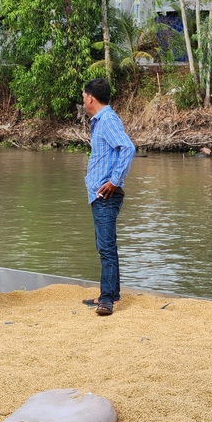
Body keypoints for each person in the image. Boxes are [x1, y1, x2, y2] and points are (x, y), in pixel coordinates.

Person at [81, 78, 136, 316]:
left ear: (91, 97)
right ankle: (110, 292)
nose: (82, 100)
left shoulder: (107, 120)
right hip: (100, 195)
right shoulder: (101, 122)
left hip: (106, 195)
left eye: (83, 96)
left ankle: (107, 300)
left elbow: (128, 148)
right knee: (104, 245)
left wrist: (114, 180)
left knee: (106, 247)